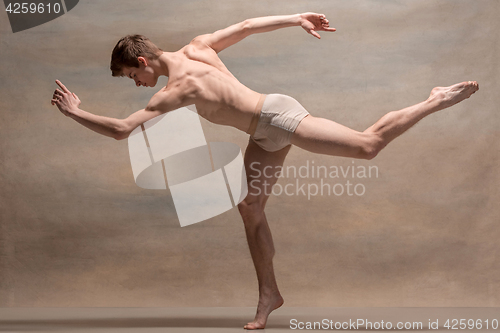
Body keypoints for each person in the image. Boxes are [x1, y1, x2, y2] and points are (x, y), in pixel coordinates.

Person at [51, 12, 479, 330]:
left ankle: (434, 99)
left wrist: (75, 114)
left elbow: (123, 130)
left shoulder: (176, 90)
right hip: (262, 133)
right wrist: (296, 18)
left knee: (368, 146)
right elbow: (247, 25)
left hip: (276, 118)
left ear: (142, 61)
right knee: (250, 206)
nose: (136, 85)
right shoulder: (198, 46)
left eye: (131, 76)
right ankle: (269, 295)